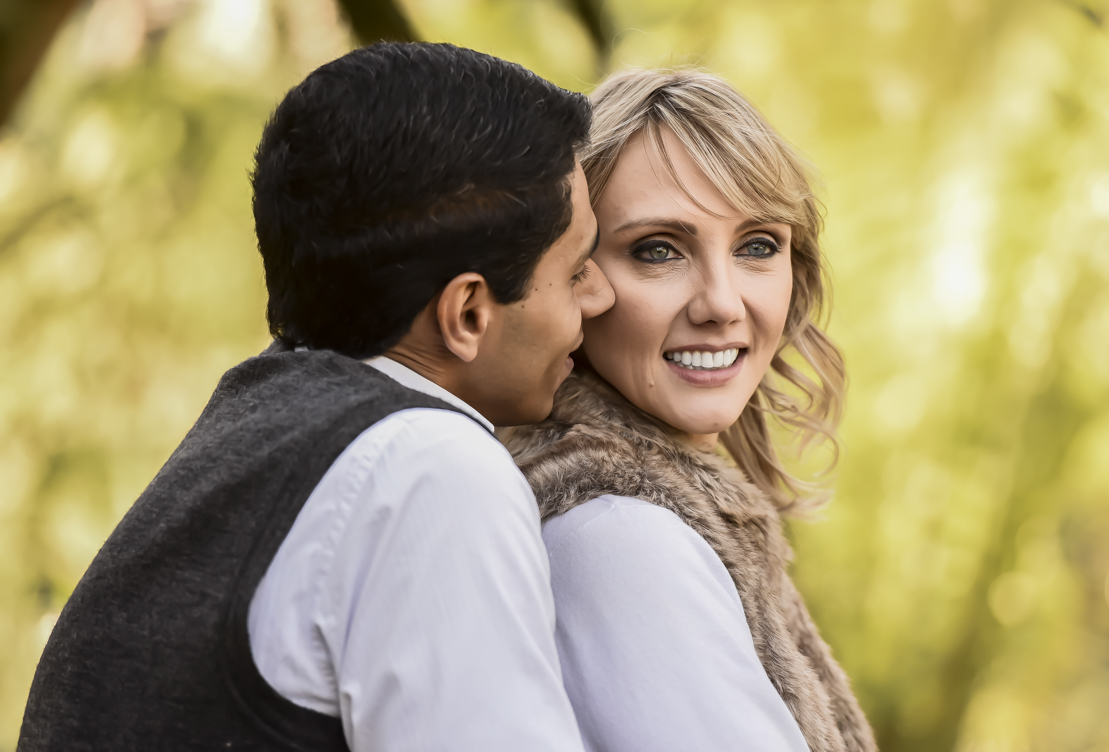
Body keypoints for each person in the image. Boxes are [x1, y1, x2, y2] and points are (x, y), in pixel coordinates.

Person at [18, 42, 614, 751]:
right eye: (577, 269)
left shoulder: (259, 428)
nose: (600, 295)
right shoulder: (431, 471)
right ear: (468, 314)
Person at [503, 68, 877, 752]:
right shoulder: (614, 532)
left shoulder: (680, 511)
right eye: (658, 251)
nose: (722, 303)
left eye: (757, 246)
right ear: (573, 276)